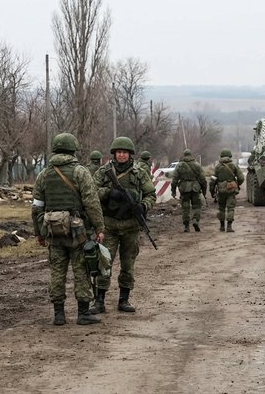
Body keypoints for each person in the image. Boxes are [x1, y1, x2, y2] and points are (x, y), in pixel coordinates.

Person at [32, 133, 106, 325]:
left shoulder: (43, 174)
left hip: (53, 232)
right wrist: (99, 227)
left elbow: (37, 207)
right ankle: (82, 313)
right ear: (73, 150)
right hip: (78, 232)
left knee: (57, 272)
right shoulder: (81, 172)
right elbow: (92, 203)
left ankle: (59, 314)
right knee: (81, 270)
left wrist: (39, 232)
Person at [91, 137, 156, 314]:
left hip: (131, 227)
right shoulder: (104, 172)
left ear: (130, 154)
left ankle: (124, 300)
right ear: (114, 154)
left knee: (128, 264)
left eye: (124, 152)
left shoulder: (139, 173)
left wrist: (143, 206)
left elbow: (151, 194)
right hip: (109, 226)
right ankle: (99, 300)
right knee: (104, 263)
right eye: (118, 152)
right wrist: (109, 193)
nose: (121, 155)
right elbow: (92, 193)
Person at [170, 148, 208, 232]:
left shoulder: (179, 165)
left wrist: (173, 191)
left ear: (184, 155)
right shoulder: (197, 165)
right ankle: (195, 220)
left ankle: (186, 226)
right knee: (197, 206)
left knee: (185, 207)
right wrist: (204, 191)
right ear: (191, 155)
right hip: (195, 188)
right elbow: (203, 179)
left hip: (184, 189)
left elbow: (175, 179)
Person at [210, 149, 245, 232]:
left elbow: (213, 180)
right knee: (230, 208)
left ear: (221, 156)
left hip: (221, 190)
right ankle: (229, 227)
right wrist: (236, 184)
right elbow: (241, 178)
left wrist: (212, 192)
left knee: (221, 208)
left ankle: (222, 226)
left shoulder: (218, 167)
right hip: (231, 189)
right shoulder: (234, 166)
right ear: (230, 156)